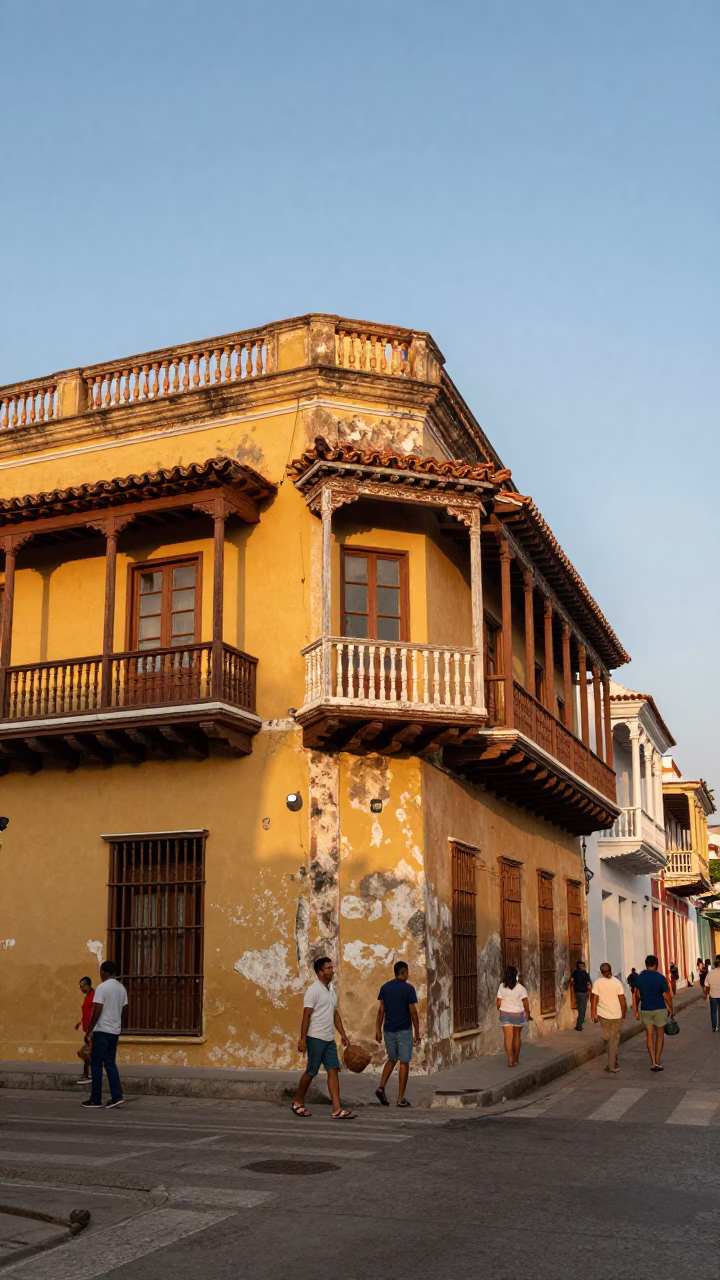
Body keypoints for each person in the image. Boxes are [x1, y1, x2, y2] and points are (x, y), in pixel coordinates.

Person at [292, 956, 355, 1120]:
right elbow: (306, 1015)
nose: (332, 970)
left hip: (329, 1039)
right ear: (320, 972)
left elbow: (335, 1014)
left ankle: (336, 1109)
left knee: (333, 1071)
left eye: (331, 967)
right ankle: (298, 1101)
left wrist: (343, 1034)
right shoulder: (313, 990)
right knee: (311, 1072)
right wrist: (302, 1039)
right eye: (328, 968)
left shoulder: (332, 990)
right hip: (315, 1038)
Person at [81, 960, 128, 1109]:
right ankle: (117, 1096)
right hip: (114, 1031)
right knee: (110, 1063)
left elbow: (97, 1009)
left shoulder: (102, 987)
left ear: (102, 971)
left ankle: (96, 1099)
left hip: (102, 1031)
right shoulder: (121, 988)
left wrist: (89, 1030)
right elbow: (123, 1010)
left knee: (96, 1064)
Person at [374, 961, 421, 1107]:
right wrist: (417, 1032)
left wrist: (377, 1029)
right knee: (404, 1062)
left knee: (392, 1058)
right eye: (407, 972)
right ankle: (400, 1099)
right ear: (404, 972)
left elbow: (381, 1010)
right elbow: (413, 1011)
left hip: (388, 1029)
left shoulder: (385, 988)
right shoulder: (409, 989)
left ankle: (381, 1087)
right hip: (404, 1030)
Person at [632, 954, 673, 1071]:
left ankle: (653, 1062)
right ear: (656, 964)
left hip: (645, 1009)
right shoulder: (660, 978)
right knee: (660, 1035)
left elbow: (636, 995)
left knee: (649, 1035)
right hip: (659, 1008)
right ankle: (658, 1059)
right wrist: (671, 1008)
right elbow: (666, 995)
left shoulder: (639, 977)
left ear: (646, 964)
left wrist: (636, 1011)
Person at [591, 963, 627, 1074]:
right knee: (613, 1041)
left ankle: (611, 1063)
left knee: (608, 1039)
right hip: (616, 1016)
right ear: (610, 970)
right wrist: (624, 1015)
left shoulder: (598, 983)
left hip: (603, 1016)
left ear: (601, 972)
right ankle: (612, 1065)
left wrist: (593, 1013)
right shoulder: (617, 983)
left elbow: (594, 1000)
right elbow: (622, 1001)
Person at [496, 965, 531, 1066]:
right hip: (518, 1014)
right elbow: (525, 1002)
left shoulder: (501, 986)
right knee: (516, 1036)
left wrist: (499, 1008)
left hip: (505, 1013)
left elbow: (498, 1002)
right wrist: (527, 1012)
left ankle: (509, 1059)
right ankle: (516, 1059)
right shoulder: (521, 988)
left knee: (508, 1037)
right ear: (515, 975)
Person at [74, 975, 95, 1085]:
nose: (82, 989)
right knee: (88, 1054)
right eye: (80, 987)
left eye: (84, 986)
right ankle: (87, 1075)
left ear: (89, 985)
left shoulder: (93, 996)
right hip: (88, 1030)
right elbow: (86, 1013)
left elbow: (93, 1014)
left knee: (85, 1053)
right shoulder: (87, 996)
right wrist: (80, 1022)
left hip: (92, 1031)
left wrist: (90, 1031)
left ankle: (88, 1075)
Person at [569, 959, 592, 1031]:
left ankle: (579, 1023)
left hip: (577, 993)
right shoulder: (586, 974)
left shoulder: (575, 973)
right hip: (584, 993)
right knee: (583, 1010)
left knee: (579, 1008)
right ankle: (579, 1025)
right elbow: (589, 983)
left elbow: (571, 981)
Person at [703, 957, 720, 1032]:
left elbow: (706, 986)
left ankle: (714, 1027)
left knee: (713, 1011)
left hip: (713, 995)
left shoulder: (710, 974)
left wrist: (705, 995)